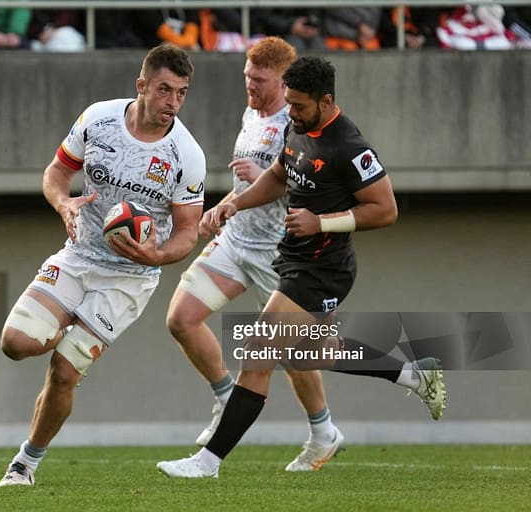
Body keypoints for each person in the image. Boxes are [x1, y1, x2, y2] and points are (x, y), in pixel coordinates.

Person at [157, 56, 446, 478]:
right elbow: (278, 175)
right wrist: (233, 203)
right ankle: (413, 376)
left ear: (326, 101)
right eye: (289, 103)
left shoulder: (350, 146)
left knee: (258, 352)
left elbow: (385, 210)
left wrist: (321, 222)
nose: (290, 112)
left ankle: (208, 462)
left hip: (325, 268)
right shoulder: (298, 127)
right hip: (293, 257)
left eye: (299, 105)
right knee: (311, 351)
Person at [0, 44, 206, 487]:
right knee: (16, 343)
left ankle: (25, 464)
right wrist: (63, 205)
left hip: (129, 280)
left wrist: (157, 255)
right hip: (77, 256)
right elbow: (56, 174)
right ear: (142, 86)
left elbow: (189, 231)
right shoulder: (98, 119)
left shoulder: (186, 154)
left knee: (65, 372)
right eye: (165, 90)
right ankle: (62, 327)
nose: (173, 102)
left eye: (182, 93)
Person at [166, 36, 344, 472]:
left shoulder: (296, 120)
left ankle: (323, 430)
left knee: (293, 352)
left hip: (275, 252)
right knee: (181, 319)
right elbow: (249, 180)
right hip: (236, 240)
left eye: (259, 80)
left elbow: (291, 180)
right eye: (247, 76)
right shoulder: (251, 112)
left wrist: (261, 177)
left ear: (283, 82)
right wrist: (226, 204)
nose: (250, 85)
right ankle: (226, 394)